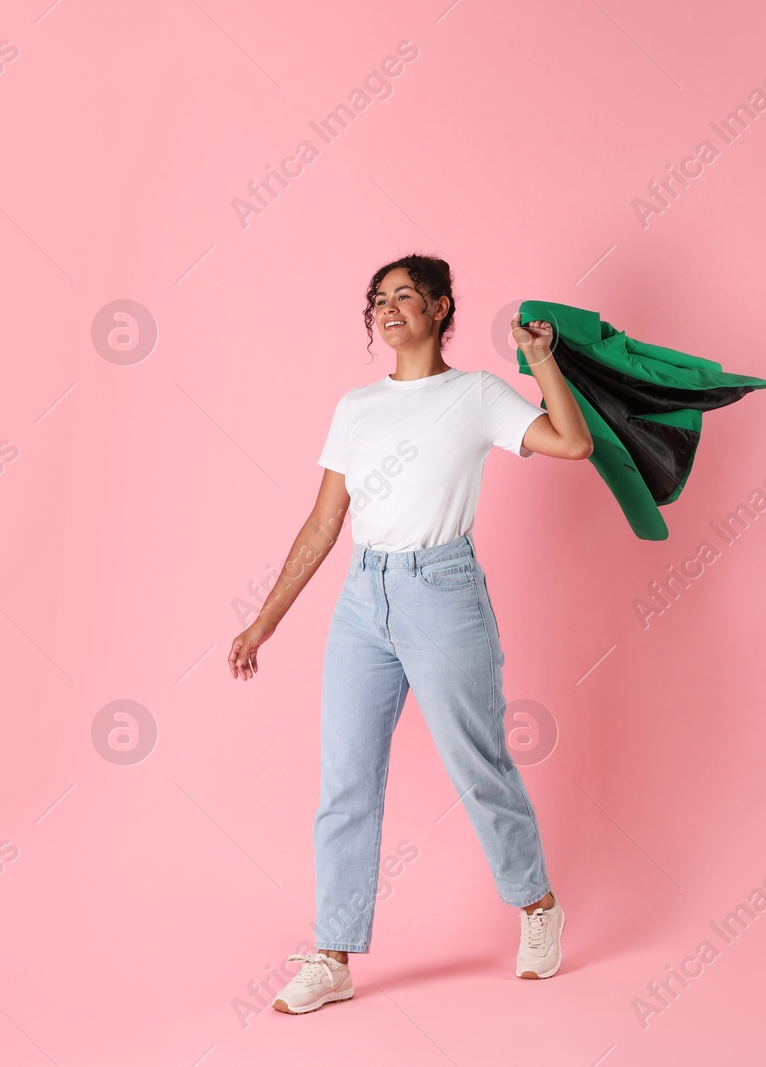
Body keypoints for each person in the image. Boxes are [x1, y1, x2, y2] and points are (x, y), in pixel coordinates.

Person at [227, 253, 593, 1015]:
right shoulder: (356, 407)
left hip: (444, 590)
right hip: (365, 596)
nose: (387, 308)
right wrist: (266, 618)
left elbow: (573, 443)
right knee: (345, 778)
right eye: (378, 298)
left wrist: (540, 362)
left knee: (477, 762)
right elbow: (325, 519)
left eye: (404, 296)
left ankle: (537, 905)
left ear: (440, 308)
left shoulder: (476, 394)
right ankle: (332, 952)